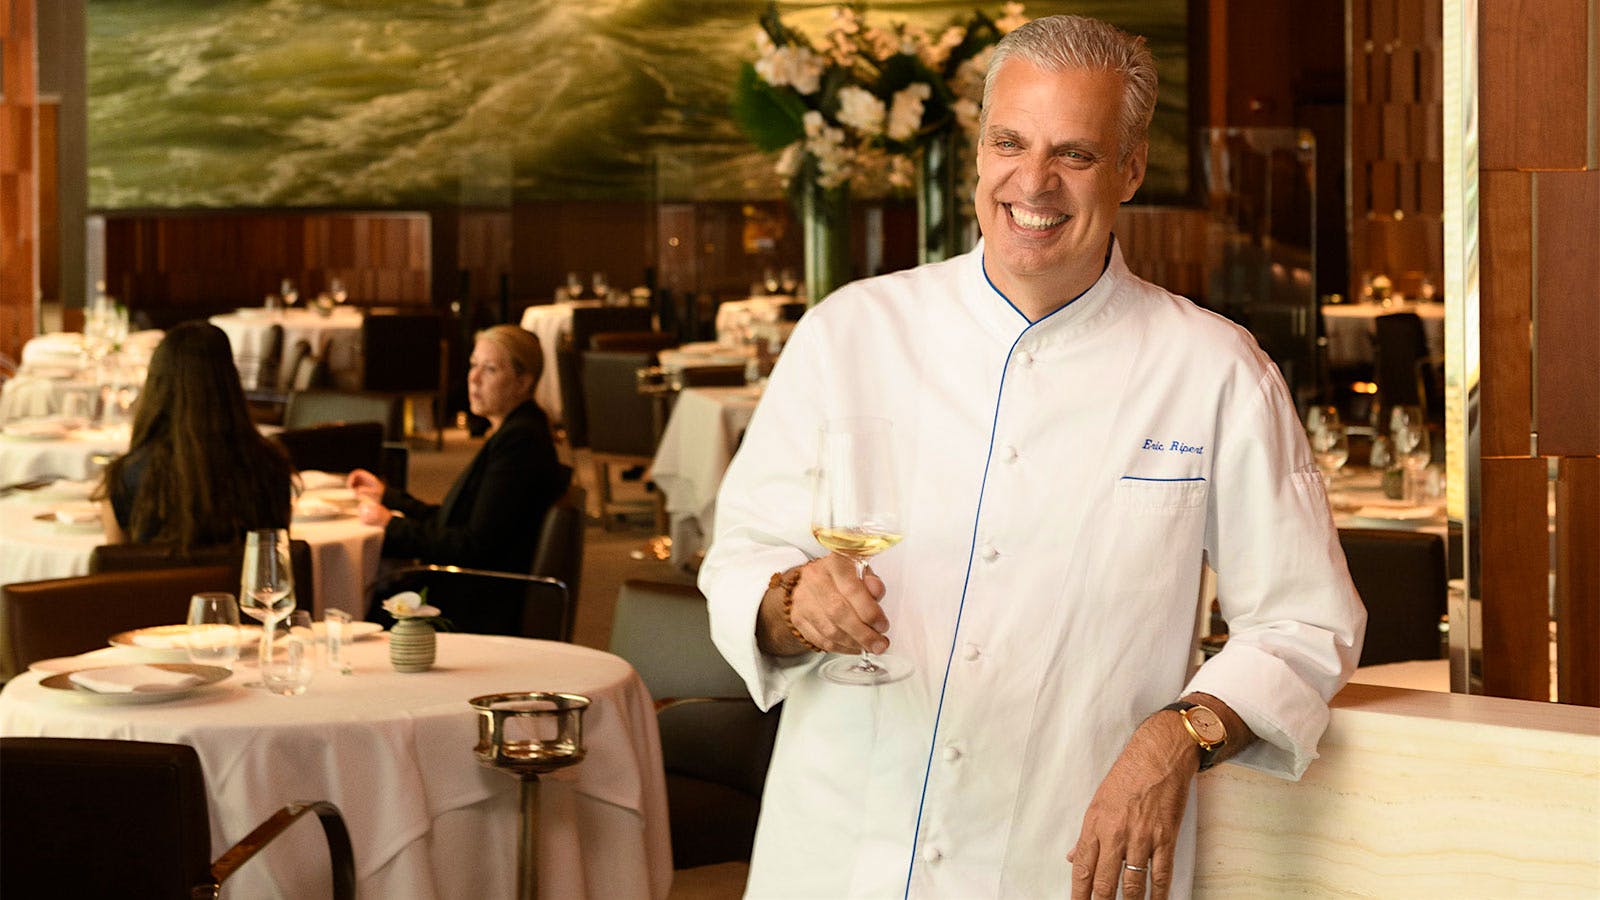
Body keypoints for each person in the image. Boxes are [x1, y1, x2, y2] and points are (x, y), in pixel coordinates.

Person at [699, 15, 1365, 900]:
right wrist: (792, 601)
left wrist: (1180, 736)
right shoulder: (849, 332)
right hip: (836, 850)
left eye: (1076, 155)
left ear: (1129, 170)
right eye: (1009, 142)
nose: (1033, 182)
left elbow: (1303, 623)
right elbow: (744, 555)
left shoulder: (1215, 369)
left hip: (1062, 854)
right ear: (979, 149)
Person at [349, 324, 569, 635]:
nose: (473, 378)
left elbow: (470, 546)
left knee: (358, 607)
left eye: (489, 369)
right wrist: (390, 498)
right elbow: (458, 520)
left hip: (480, 603)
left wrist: (391, 526)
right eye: (473, 365)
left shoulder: (519, 444)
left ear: (523, 382)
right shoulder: (515, 432)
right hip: (478, 587)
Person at [97, 321, 294, 551]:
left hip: (160, 589)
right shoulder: (271, 470)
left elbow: (119, 575)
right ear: (230, 384)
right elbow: (274, 567)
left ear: (157, 387)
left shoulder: (123, 478)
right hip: (237, 588)